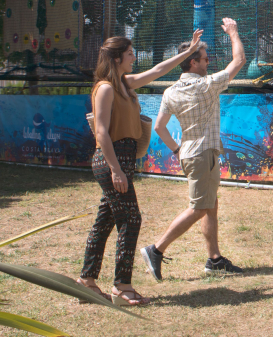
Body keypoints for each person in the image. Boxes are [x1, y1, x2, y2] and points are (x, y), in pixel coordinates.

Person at [76, 29, 204, 306]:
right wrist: (116, 170)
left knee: (105, 220)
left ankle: (86, 281)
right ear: (117, 57)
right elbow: (101, 132)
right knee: (131, 219)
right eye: (131, 54)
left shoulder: (124, 83)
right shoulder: (106, 88)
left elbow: (159, 69)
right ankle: (122, 287)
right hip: (112, 159)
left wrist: (188, 51)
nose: (134, 58)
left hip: (123, 158)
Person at [141, 17, 246, 280]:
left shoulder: (170, 91)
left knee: (210, 205)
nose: (209, 62)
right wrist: (233, 33)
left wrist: (176, 150)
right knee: (199, 207)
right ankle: (156, 250)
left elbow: (159, 127)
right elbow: (239, 61)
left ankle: (215, 259)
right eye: (205, 58)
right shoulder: (206, 86)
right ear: (192, 62)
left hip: (189, 153)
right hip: (202, 155)